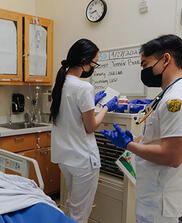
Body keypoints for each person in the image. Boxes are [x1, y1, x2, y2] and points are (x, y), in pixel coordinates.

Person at [100, 34, 182, 223]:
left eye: (145, 64)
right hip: (152, 191)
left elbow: (172, 156)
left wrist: (130, 145)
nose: (143, 71)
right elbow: (159, 136)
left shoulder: (179, 100)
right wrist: (136, 140)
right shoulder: (168, 94)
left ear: (166, 59)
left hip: (161, 199)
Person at [49, 38, 118, 223]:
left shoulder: (58, 84)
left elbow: (70, 112)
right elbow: (91, 127)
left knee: (73, 204)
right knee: (81, 212)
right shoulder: (84, 87)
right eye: (94, 62)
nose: (93, 66)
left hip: (65, 158)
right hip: (83, 160)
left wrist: (91, 102)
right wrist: (106, 107)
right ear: (84, 61)